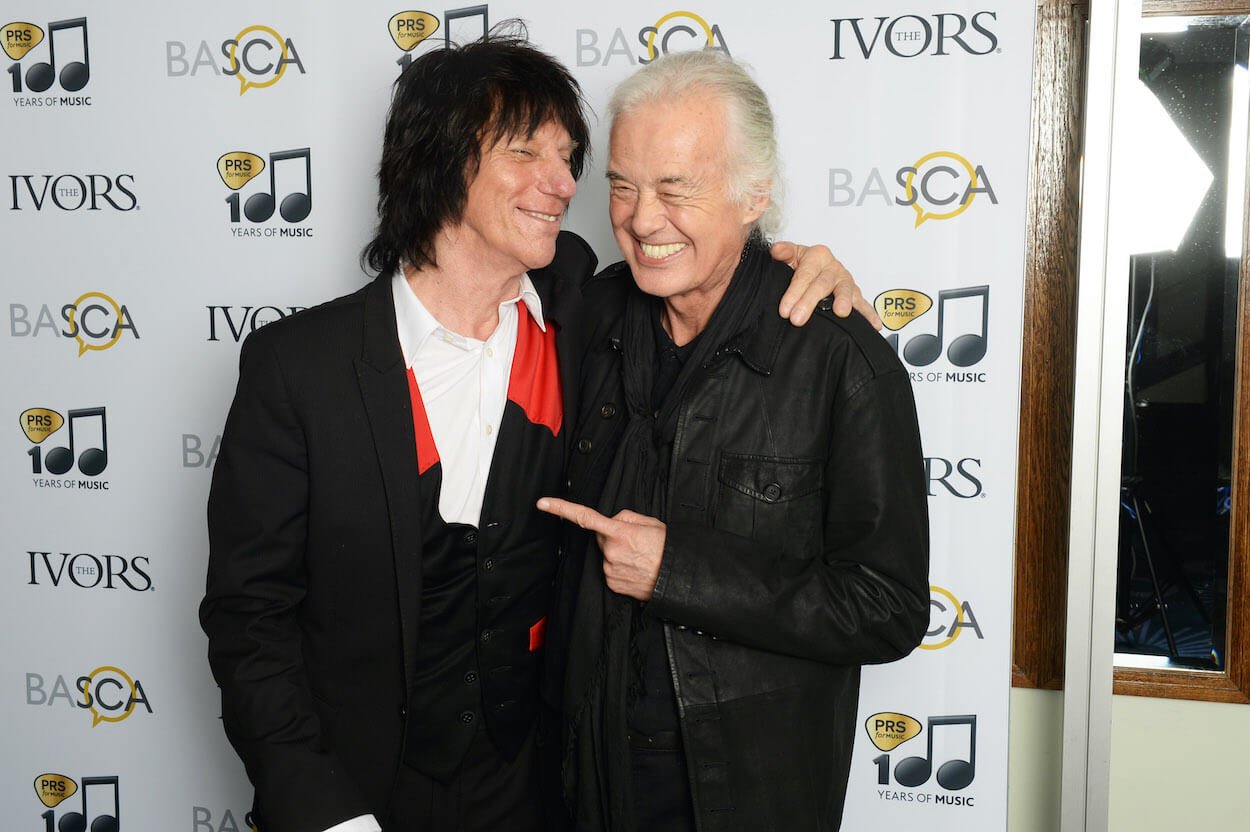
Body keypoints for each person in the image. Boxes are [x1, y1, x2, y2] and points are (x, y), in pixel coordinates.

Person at [199, 31, 873, 832]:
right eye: (528, 153)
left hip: (542, 798)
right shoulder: (297, 367)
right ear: (439, 159)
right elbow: (251, 618)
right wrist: (321, 808)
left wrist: (804, 265)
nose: (563, 185)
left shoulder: (591, 314)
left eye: (569, 158)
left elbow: (717, 269)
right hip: (356, 797)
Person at [538, 50, 930, 831]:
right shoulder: (586, 313)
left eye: (676, 189)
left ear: (757, 195)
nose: (642, 219)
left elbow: (886, 607)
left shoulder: (842, 360)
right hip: (584, 778)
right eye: (622, 185)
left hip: (741, 795)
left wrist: (679, 570)